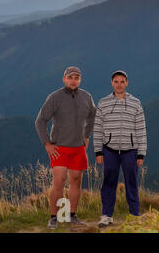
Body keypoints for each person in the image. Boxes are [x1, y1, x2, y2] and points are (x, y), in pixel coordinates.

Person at [35, 66, 96, 229]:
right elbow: (40, 121)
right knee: (59, 182)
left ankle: (72, 216)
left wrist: (87, 135)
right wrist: (47, 143)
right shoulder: (55, 97)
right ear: (64, 79)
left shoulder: (86, 97)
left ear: (80, 80)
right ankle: (53, 217)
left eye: (76, 78)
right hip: (59, 148)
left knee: (76, 182)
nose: (73, 80)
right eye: (70, 77)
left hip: (78, 148)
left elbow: (93, 115)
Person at [93, 70, 147, 227]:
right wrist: (98, 151)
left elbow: (141, 129)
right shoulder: (103, 103)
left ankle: (134, 215)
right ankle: (106, 216)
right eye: (116, 81)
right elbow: (98, 128)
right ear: (112, 83)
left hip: (131, 151)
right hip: (109, 150)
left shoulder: (135, 102)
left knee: (132, 183)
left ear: (127, 83)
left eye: (122, 81)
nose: (119, 84)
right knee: (109, 183)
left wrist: (141, 153)